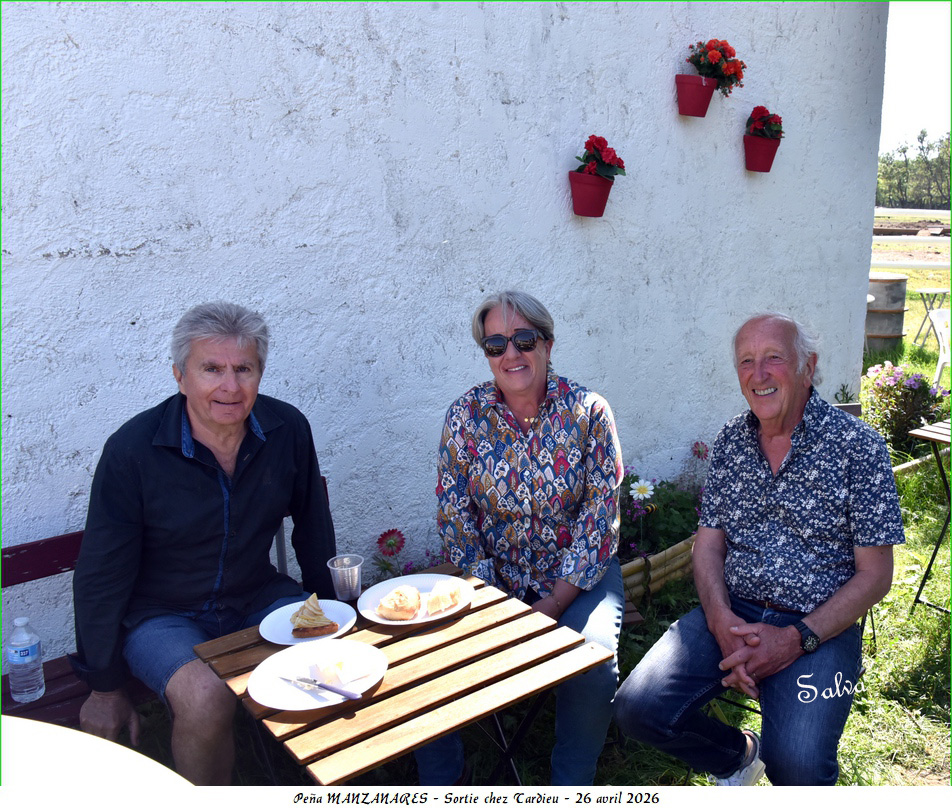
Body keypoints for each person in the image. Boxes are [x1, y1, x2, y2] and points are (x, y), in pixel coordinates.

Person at [613, 312, 904, 786]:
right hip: (735, 611)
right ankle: (740, 756)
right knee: (637, 709)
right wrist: (720, 621)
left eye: (774, 358)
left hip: (820, 627)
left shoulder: (859, 446)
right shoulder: (731, 440)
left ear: (808, 367)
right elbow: (708, 545)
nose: (758, 373)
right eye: (746, 361)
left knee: (798, 764)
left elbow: (876, 575)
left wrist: (794, 639)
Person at [70, 301, 336, 785]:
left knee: (330, 660)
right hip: (161, 614)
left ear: (259, 373)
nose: (230, 387)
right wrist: (104, 687)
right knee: (206, 694)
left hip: (257, 595)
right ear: (180, 376)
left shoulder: (287, 429)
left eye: (243, 369)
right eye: (211, 369)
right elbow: (101, 573)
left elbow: (313, 528)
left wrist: (334, 614)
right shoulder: (132, 450)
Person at [415, 290, 625, 786]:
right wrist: (493, 599)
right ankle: (442, 782)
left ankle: (570, 784)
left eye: (523, 340)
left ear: (547, 344)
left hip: (578, 576)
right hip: (493, 578)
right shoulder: (465, 416)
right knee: (423, 655)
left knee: (592, 658)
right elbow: (455, 513)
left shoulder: (589, 413)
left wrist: (554, 603)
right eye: (495, 344)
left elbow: (599, 518)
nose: (510, 353)